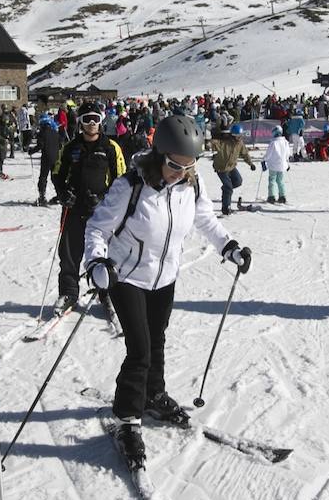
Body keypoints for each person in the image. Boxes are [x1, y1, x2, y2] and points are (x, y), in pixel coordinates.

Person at [82, 115, 251, 467]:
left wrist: (228, 246)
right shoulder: (131, 186)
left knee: (157, 337)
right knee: (140, 348)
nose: (182, 171)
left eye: (190, 165)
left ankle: (153, 394)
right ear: (158, 154)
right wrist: (97, 263)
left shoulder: (192, 183)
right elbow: (97, 228)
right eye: (175, 165)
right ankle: (128, 418)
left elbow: (205, 219)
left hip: (165, 276)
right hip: (125, 277)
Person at [52, 101, 125, 312]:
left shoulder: (111, 147)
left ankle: (107, 293)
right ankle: (68, 293)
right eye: (87, 119)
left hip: (102, 211)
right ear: (80, 123)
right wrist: (63, 193)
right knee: (69, 253)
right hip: (74, 208)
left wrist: (104, 198)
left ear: (101, 121)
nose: (91, 123)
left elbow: (121, 180)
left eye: (95, 119)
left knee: (105, 253)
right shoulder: (70, 147)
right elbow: (57, 173)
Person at [210, 123, 254, 215]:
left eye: (240, 136)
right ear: (233, 135)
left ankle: (226, 189)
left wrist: (251, 164)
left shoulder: (240, 143)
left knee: (238, 181)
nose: (239, 138)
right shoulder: (224, 142)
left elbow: (245, 154)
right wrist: (215, 135)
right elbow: (212, 143)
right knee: (229, 187)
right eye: (238, 136)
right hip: (221, 168)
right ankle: (226, 208)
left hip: (231, 167)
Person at [32, 112, 63, 205]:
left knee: (43, 177)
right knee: (56, 178)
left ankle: (42, 196)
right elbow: (60, 144)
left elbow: (40, 145)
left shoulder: (42, 133)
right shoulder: (55, 132)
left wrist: (31, 151)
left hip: (46, 158)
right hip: (56, 157)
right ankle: (60, 195)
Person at [263, 125, 290, 204]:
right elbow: (287, 154)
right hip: (282, 165)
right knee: (280, 181)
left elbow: (268, 154)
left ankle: (271, 196)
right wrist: (287, 163)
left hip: (273, 165)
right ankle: (282, 196)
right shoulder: (285, 142)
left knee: (272, 180)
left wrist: (264, 160)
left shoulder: (273, 143)